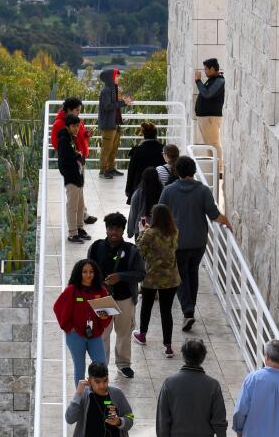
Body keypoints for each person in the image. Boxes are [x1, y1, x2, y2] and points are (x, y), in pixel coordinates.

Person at [158, 156, 232, 333]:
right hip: (198, 242)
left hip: (177, 242)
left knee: (180, 275)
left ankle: (188, 310)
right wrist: (227, 222)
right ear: (194, 171)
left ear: (177, 171)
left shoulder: (168, 191)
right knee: (193, 273)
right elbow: (214, 215)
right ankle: (190, 308)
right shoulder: (203, 191)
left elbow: (160, 214)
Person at [156, 338, 229, 437]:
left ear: (183, 355)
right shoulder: (213, 385)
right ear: (203, 357)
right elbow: (219, 420)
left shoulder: (169, 383)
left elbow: (163, 418)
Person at [87, 212, 145, 379]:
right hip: (103, 299)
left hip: (125, 298)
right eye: (111, 228)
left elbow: (141, 274)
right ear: (106, 230)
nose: (114, 232)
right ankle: (101, 366)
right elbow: (87, 272)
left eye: (118, 229)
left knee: (124, 333)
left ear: (122, 231)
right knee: (103, 333)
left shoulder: (132, 250)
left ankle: (124, 364)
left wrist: (120, 277)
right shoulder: (96, 248)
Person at [53, 258, 112, 385]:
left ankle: (100, 396)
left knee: (102, 366)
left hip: (94, 335)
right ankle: (80, 399)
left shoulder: (101, 291)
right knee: (79, 369)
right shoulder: (72, 290)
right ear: (79, 273)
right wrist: (69, 328)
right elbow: (58, 307)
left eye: (91, 271)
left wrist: (104, 317)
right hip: (75, 336)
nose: (88, 275)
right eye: (84, 272)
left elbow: (106, 317)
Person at [134, 204, 182, 358]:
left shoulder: (150, 233)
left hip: (151, 277)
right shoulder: (174, 232)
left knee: (146, 307)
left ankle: (142, 335)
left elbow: (140, 250)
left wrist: (143, 231)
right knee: (166, 311)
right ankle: (168, 346)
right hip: (171, 278)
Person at [52, 98, 99, 233]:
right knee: (74, 194)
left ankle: (82, 217)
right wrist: (74, 154)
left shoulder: (75, 121)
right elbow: (58, 144)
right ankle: (75, 228)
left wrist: (86, 134)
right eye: (77, 110)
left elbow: (79, 135)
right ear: (68, 110)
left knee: (80, 191)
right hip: (73, 164)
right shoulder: (60, 124)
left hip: (79, 160)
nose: (79, 112)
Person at [57, 114, 89, 243]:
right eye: (73, 126)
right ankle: (72, 233)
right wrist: (77, 156)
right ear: (67, 126)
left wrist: (78, 156)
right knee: (72, 206)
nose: (76, 128)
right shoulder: (64, 140)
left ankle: (79, 228)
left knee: (80, 205)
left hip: (77, 176)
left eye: (77, 126)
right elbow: (64, 160)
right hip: (71, 177)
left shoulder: (71, 137)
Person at [96, 68, 131, 178]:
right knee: (107, 148)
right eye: (116, 76)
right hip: (108, 124)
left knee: (113, 147)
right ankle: (103, 170)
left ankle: (110, 168)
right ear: (110, 78)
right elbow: (107, 106)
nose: (118, 78)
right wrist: (122, 103)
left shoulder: (113, 89)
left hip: (115, 123)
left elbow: (115, 104)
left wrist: (123, 102)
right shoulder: (106, 90)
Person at [194, 58, 225, 170]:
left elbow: (207, 94)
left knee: (214, 143)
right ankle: (214, 169)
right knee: (209, 145)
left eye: (206, 69)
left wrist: (198, 81)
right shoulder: (212, 80)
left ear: (212, 69)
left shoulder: (219, 81)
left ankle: (219, 169)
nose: (205, 72)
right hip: (205, 118)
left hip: (210, 118)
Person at [124, 121, 164, 202]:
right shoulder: (163, 150)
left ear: (143, 135)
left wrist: (128, 188)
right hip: (158, 187)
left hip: (139, 187)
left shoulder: (137, 151)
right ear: (156, 134)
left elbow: (131, 171)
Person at [127, 166, 164, 239]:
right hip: (158, 224)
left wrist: (130, 231)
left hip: (143, 221)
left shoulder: (138, 193)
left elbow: (133, 213)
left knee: (142, 246)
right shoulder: (163, 191)